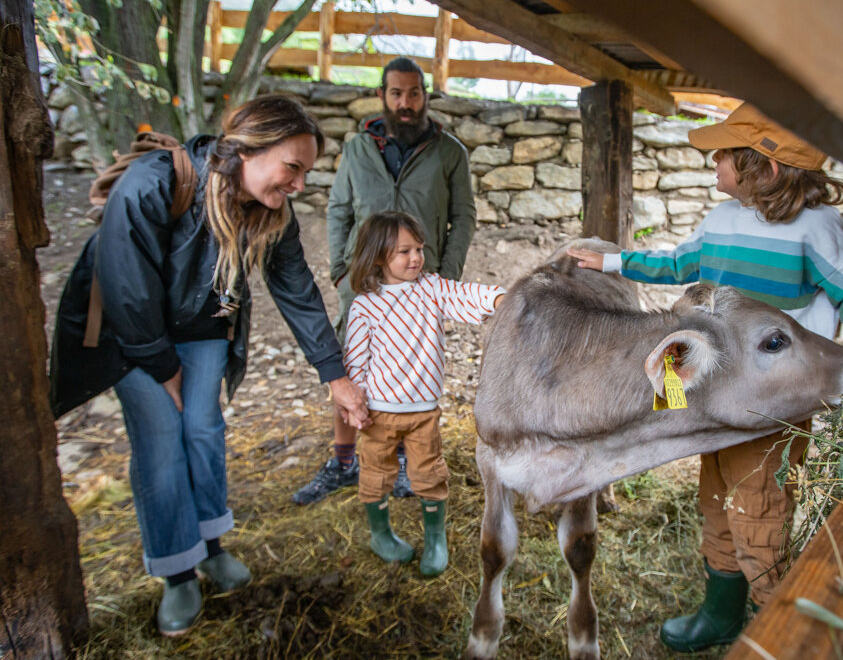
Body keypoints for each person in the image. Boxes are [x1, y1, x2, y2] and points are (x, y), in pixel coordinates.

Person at [568, 102, 843, 652]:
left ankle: (771, 623)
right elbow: (679, 265)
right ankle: (720, 610)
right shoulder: (721, 221)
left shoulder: (816, 229)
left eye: (723, 157)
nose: (713, 165)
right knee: (716, 496)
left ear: (764, 168)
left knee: (759, 511)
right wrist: (612, 264)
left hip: (770, 402)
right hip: (715, 396)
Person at [50, 95, 369, 637]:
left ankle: (212, 547)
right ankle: (177, 572)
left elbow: (297, 291)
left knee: (203, 430)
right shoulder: (156, 182)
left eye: (305, 173)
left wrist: (335, 376)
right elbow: (124, 282)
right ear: (249, 148)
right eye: (293, 168)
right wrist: (160, 363)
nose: (298, 185)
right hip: (130, 337)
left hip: (201, 329)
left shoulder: (270, 214)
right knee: (161, 445)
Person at [291, 56, 476, 506]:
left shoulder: (450, 152)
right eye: (397, 93)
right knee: (351, 368)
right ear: (382, 96)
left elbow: (462, 217)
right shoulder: (358, 149)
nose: (406, 103)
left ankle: (402, 467)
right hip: (361, 283)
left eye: (414, 93)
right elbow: (337, 209)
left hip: (418, 281)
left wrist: (445, 277)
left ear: (426, 95)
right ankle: (344, 462)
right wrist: (340, 268)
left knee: (408, 369)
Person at [342, 211, 504, 576]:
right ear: (379, 255)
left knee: (429, 473)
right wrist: (355, 405)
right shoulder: (365, 305)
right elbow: (355, 359)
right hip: (377, 412)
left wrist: (503, 300)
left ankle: (435, 539)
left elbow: (468, 296)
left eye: (419, 248)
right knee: (375, 472)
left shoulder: (431, 289)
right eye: (404, 251)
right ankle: (380, 534)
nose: (416, 258)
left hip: (423, 411)